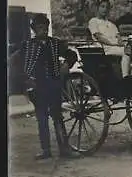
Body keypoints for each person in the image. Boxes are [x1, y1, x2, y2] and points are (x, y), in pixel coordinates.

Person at [8, 14, 81, 160]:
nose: (44, 30)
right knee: (41, 118)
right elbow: (12, 62)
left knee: (58, 117)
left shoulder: (55, 43)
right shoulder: (26, 45)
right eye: (40, 27)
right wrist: (25, 79)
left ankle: (64, 150)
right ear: (34, 29)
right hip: (36, 86)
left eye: (46, 27)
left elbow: (72, 54)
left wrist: (67, 64)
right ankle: (45, 150)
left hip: (53, 84)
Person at [87, 0, 131, 78]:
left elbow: (119, 39)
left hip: (115, 47)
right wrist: (114, 44)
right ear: (97, 8)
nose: (105, 9)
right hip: (104, 48)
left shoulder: (112, 24)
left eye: (107, 7)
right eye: (102, 7)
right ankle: (126, 77)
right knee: (126, 52)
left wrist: (124, 43)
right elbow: (99, 37)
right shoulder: (93, 21)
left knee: (131, 50)